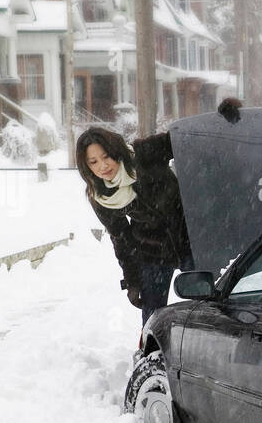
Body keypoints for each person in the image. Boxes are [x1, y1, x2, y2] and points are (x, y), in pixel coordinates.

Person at [76, 126, 192, 325]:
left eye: (106, 157)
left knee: (212, 298)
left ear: (115, 151)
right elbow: (121, 239)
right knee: (152, 318)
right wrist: (133, 282)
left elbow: (183, 140)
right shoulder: (102, 196)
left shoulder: (143, 154)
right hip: (153, 250)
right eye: (93, 162)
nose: (103, 166)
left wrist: (221, 120)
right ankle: (151, 354)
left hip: (191, 238)